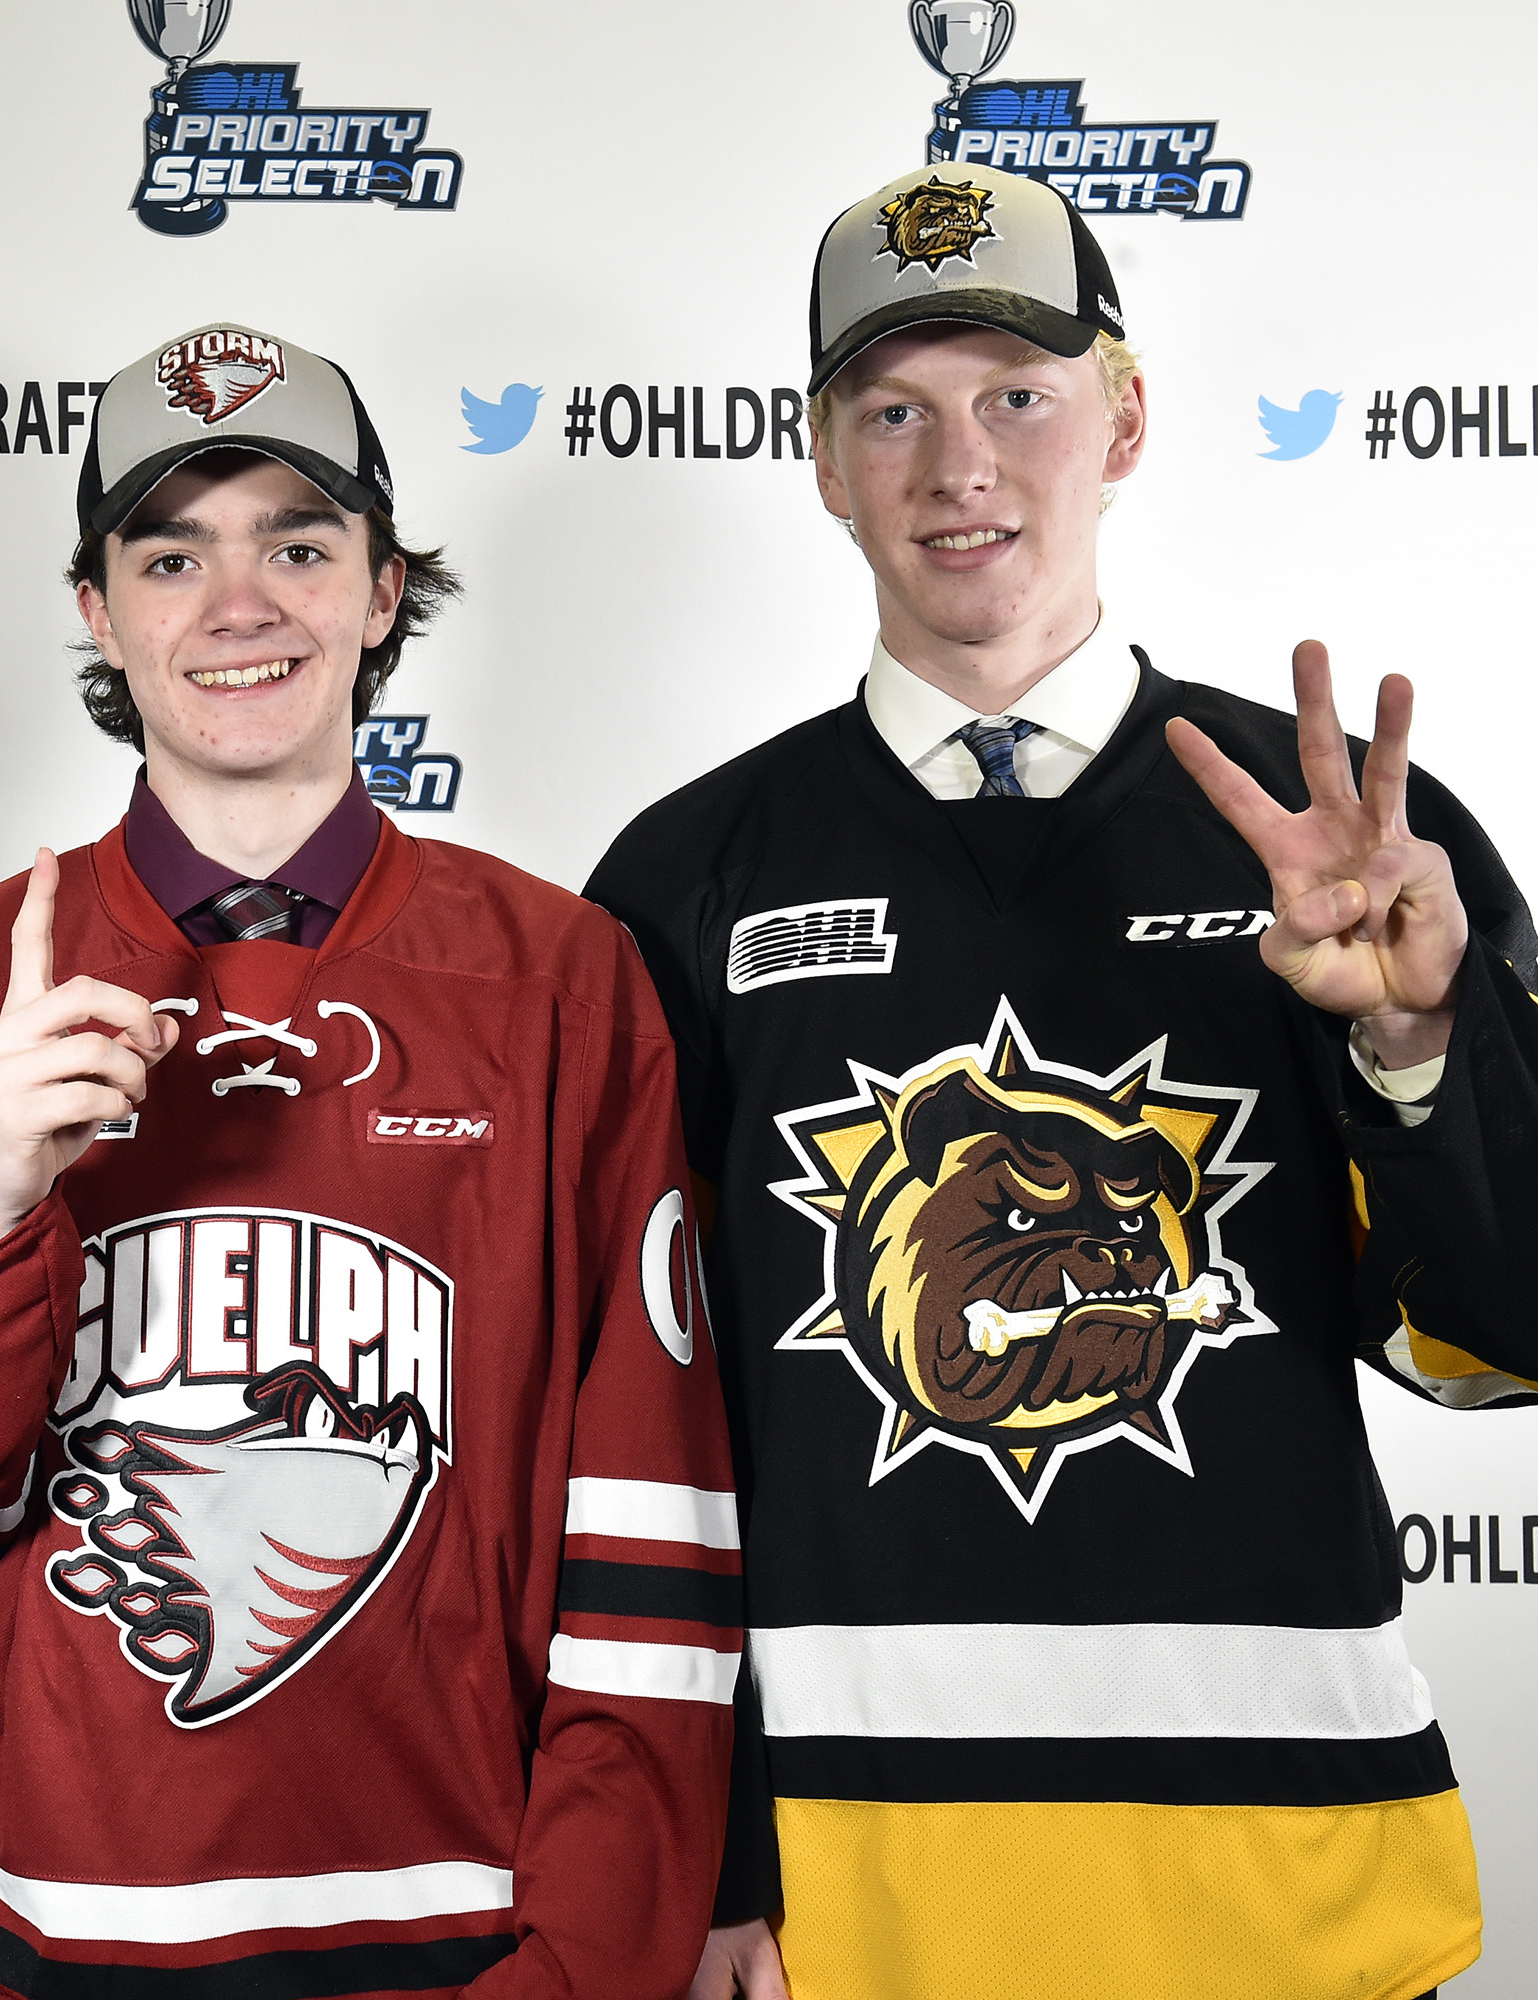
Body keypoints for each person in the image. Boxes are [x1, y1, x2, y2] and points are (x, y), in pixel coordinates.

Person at [586, 161, 1533, 2000]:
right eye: (894, 411)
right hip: (844, 1907)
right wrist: (701, 1856)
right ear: (821, 457)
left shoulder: (1350, 844)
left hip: (1288, 1890)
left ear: (1128, 418)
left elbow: (1502, 1347)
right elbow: (631, 1438)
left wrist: (1414, 1045)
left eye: (1020, 394)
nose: (962, 467)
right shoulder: (684, 876)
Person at [0, 322, 739, 1997]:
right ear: (98, 609)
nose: (240, 606)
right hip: (16, 1943)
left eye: (297, 547)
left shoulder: (561, 982)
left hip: (444, 1941)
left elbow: (652, 1538)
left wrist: (583, 1963)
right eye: (173, 557)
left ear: (381, 591)